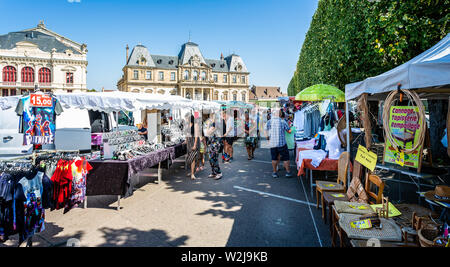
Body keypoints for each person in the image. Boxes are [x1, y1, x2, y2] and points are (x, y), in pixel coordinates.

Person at [266, 109, 293, 178]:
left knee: (274, 158)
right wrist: (291, 128)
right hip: (282, 144)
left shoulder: (269, 122)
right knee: (285, 158)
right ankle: (288, 172)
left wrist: (268, 138)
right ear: (280, 114)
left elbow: (266, 131)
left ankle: (274, 172)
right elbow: (289, 131)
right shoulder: (283, 122)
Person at [204, 113, 222, 180]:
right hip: (211, 143)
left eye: (211, 117)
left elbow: (208, 133)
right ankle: (214, 172)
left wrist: (208, 125)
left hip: (215, 144)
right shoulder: (213, 124)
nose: (210, 118)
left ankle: (219, 173)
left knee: (214, 158)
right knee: (210, 158)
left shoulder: (216, 124)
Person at [185, 114, 200, 180]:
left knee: (193, 158)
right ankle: (192, 171)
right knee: (190, 158)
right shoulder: (188, 125)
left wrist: (195, 145)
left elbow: (196, 135)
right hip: (189, 142)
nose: (186, 119)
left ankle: (192, 174)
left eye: (187, 118)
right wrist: (186, 141)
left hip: (194, 141)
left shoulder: (195, 125)